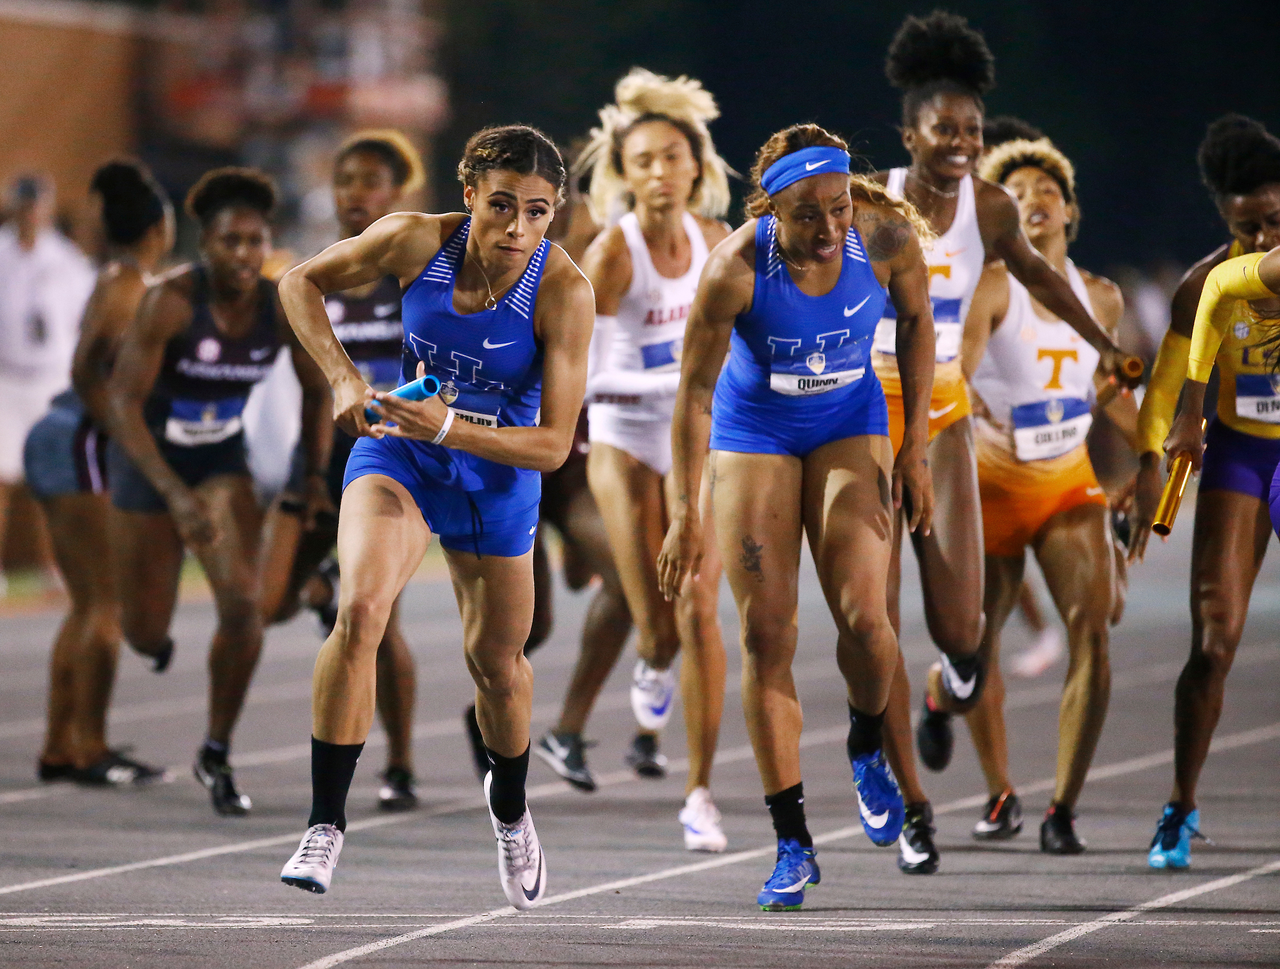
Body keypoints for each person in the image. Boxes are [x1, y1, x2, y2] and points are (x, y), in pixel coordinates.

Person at [277, 125, 592, 911]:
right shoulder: (414, 240)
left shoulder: (562, 289)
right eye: (501, 206)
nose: (517, 228)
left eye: (538, 212)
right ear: (467, 196)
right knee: (360, 608)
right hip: (401, 453)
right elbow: (297, 284)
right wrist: (345, 379)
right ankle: (324, 824)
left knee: (497, 664)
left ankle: (513, 813)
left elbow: (553, 445)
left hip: (497, 472)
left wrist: (451, 428)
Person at [872, 11, 1130, 874]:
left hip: (941, 417)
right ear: (909, 132)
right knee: (872, 617)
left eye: (973, 130)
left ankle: (948, 689)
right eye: (943, 128)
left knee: (965, 639)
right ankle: (906, 798)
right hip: (866, 412)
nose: (960, 141)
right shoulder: (870, 201)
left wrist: (1105, 349)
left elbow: (1045, 278)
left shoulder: (988, 205)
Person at [657, 123, 936, 910]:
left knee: (867, 618)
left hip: (849, 421)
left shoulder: (883, 237)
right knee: (766, 631)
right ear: (768, 207)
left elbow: (917, 323)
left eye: (837, 207)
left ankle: (863, 740)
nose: (826, 228)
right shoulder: (732, 271)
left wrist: (914, 448)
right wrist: (686, 510)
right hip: (757, 431)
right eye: (805, 213)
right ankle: (792, 842)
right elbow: (694, 395)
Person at [106, 167, 333, 817]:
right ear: (204, 244)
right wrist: (172, 496)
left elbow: (317, 389)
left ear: (269, 244)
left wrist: (313, 476)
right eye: (230, 241)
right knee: (145, 633)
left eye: (255, 241)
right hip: (149, 461)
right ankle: (160, 629)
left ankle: (215, 747)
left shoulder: (278, 304)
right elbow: (122, 403)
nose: (243, 254)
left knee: (242, 605)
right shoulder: (172, 300)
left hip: (218, 460)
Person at [546, 67, 733, 850]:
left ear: (697, 166)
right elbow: (581, 369)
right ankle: (648, 666)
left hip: (694, 441)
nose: (660, 173)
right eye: (643, 161)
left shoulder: (718, 244)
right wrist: (678, 375)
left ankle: (700, 793)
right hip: (622, 439)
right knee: (656, 629)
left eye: (672, 158)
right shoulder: (613, 250)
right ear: (624, 173)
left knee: (699, 610)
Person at [959, 137, 1133, 853]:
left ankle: (1062, 807)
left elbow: (1106, 388)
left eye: (1045, 189)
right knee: (972, 647)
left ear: (1070, 210)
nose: (1031, 199)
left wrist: (1149, 459)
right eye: (1015, 191)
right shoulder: (990, 286)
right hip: (990, 483)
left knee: (1093, 629)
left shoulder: (1102, 297)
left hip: (1067, 480)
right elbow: (953, 372)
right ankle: (998, 786)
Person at [258, 130, 426, 812]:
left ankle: (403, 765)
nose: (355, 192)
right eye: (345, 179)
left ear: (397, 193)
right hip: (320, 459)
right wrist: (304, 475)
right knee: (266, 605)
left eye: (369, 181)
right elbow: (302, 383)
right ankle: (323, 585)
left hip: (390, 460)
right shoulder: (314, 273)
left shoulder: (416, 274)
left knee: (382, 621)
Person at [1133, 115, 1280, 870]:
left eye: (1275, 221)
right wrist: (1147, 466)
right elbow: (1163, 396)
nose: (1261, 240)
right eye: (1246, 226)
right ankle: (1180, 803)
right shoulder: (1204, 284)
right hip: (1241, 459)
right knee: (1214, 639)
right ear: (1225, 219)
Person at [25, 161, 173, 787]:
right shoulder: (127, 286)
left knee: (86, 604)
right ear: (157, 227)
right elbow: (88, 368)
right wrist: (120, 431)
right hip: (80, 442)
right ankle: (88, 746)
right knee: (104, 605)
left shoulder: (117, 278)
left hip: (62, 436)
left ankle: (63, 743)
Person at [0, 174, 97, 593]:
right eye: (24, 204)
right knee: (2, 480)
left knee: (53, 479)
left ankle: (53, 567)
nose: (30, 213)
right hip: (6, 376)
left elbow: (90, 318)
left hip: (51, 379)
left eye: (36, 204)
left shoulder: (66, 260)